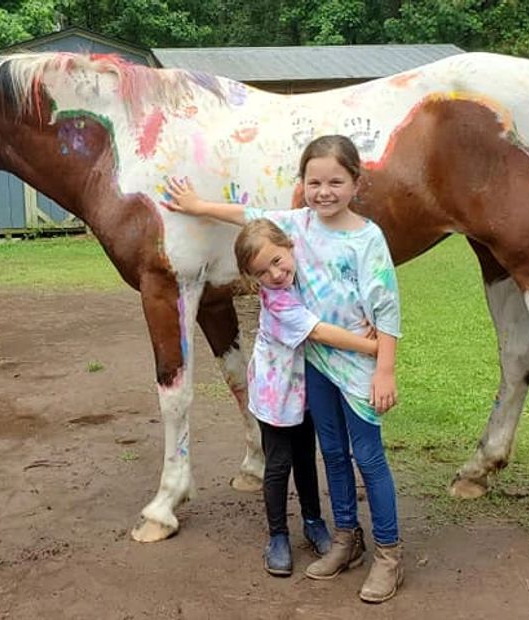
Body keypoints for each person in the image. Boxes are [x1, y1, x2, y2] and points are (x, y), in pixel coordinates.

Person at [163, 134, 405, 603]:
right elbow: (248, 216)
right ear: (303, 185)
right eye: (314, 182)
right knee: (332, 455)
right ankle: (345, 540)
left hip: (359, 368)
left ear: (356, 181)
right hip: (317, 366)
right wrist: (196, 204)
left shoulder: (368, 239)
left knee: (369, 459)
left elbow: (387, 308)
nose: (324, 191)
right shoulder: (297, 225)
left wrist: (385, 368)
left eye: (336, 181)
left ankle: (389, 555)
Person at [229, 218, 381, 577]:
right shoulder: (279, 304)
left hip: (304, 392)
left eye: (278, 261)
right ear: (253, 279)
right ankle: (278, 534)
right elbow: (320, 331)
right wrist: (370, 345)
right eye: (263, 272)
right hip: (276, 395)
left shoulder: (304, 275)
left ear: (290, 247)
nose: (276, 274)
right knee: (279, 464)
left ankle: (314, 521)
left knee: (305, 459)